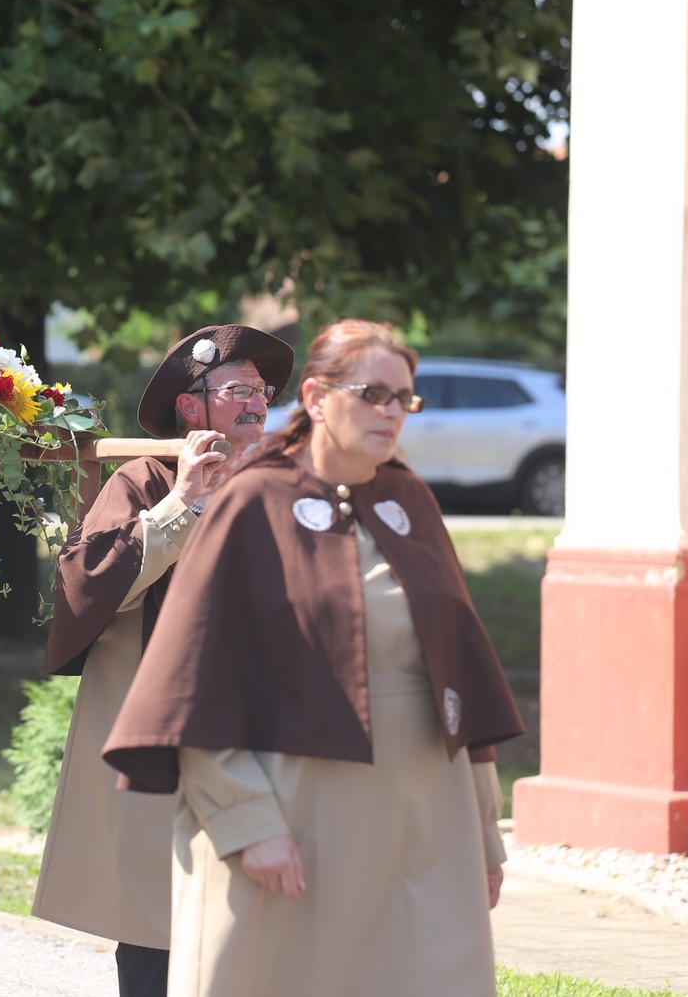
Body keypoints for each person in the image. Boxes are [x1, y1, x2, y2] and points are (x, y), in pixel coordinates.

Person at [103, 318, 526, 997]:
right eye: (373, 393)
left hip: (421, 823)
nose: (391, 412)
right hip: (290, 819)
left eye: (404, 399)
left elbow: (459, 681)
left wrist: (483, 833)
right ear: (317, 396)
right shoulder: (252, 500)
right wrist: (247, 823)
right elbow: (196, 684)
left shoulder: (409, 501)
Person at [31, 324, 294, 997]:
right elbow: (87, 587)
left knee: (262, 926)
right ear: (189, 405)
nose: (255, 404)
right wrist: (184, 503)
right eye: (237, 390)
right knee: (159, 928)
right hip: (162, 740)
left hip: (264, 733)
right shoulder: (145, 478)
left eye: (261, 392)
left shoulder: (283, 483)